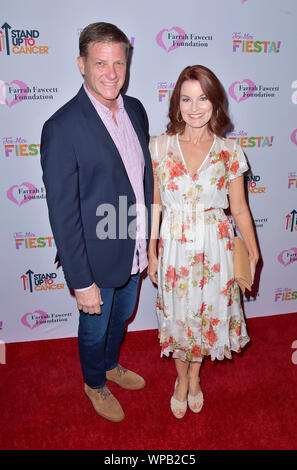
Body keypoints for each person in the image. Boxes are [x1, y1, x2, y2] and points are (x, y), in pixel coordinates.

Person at [40, 22, 153, 422]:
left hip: (133, 242)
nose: (111, 73)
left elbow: (144, 180)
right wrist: (81, 281)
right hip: (93, 254)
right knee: (93, 327)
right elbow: (63, 212)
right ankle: (94, 382)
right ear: (81, 64)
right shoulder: (62, 127)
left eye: (118, 63)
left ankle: (109, 365)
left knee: (121, 318)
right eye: (101, 63)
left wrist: (149, 242)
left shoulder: (135, 108)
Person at [148, 65, 259, 418]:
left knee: (206, 318)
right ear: (176, 103)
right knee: (180, 321)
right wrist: (151, 250)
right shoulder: (160, 146)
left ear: (215, 103)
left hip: (216, 248)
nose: (195, 108)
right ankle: (180, 380)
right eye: (186, 99)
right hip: (175, 248)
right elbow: (156, 203)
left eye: (203, 98)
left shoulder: (229, 151)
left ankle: (195, 378)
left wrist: (254, 253)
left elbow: (239, 209)